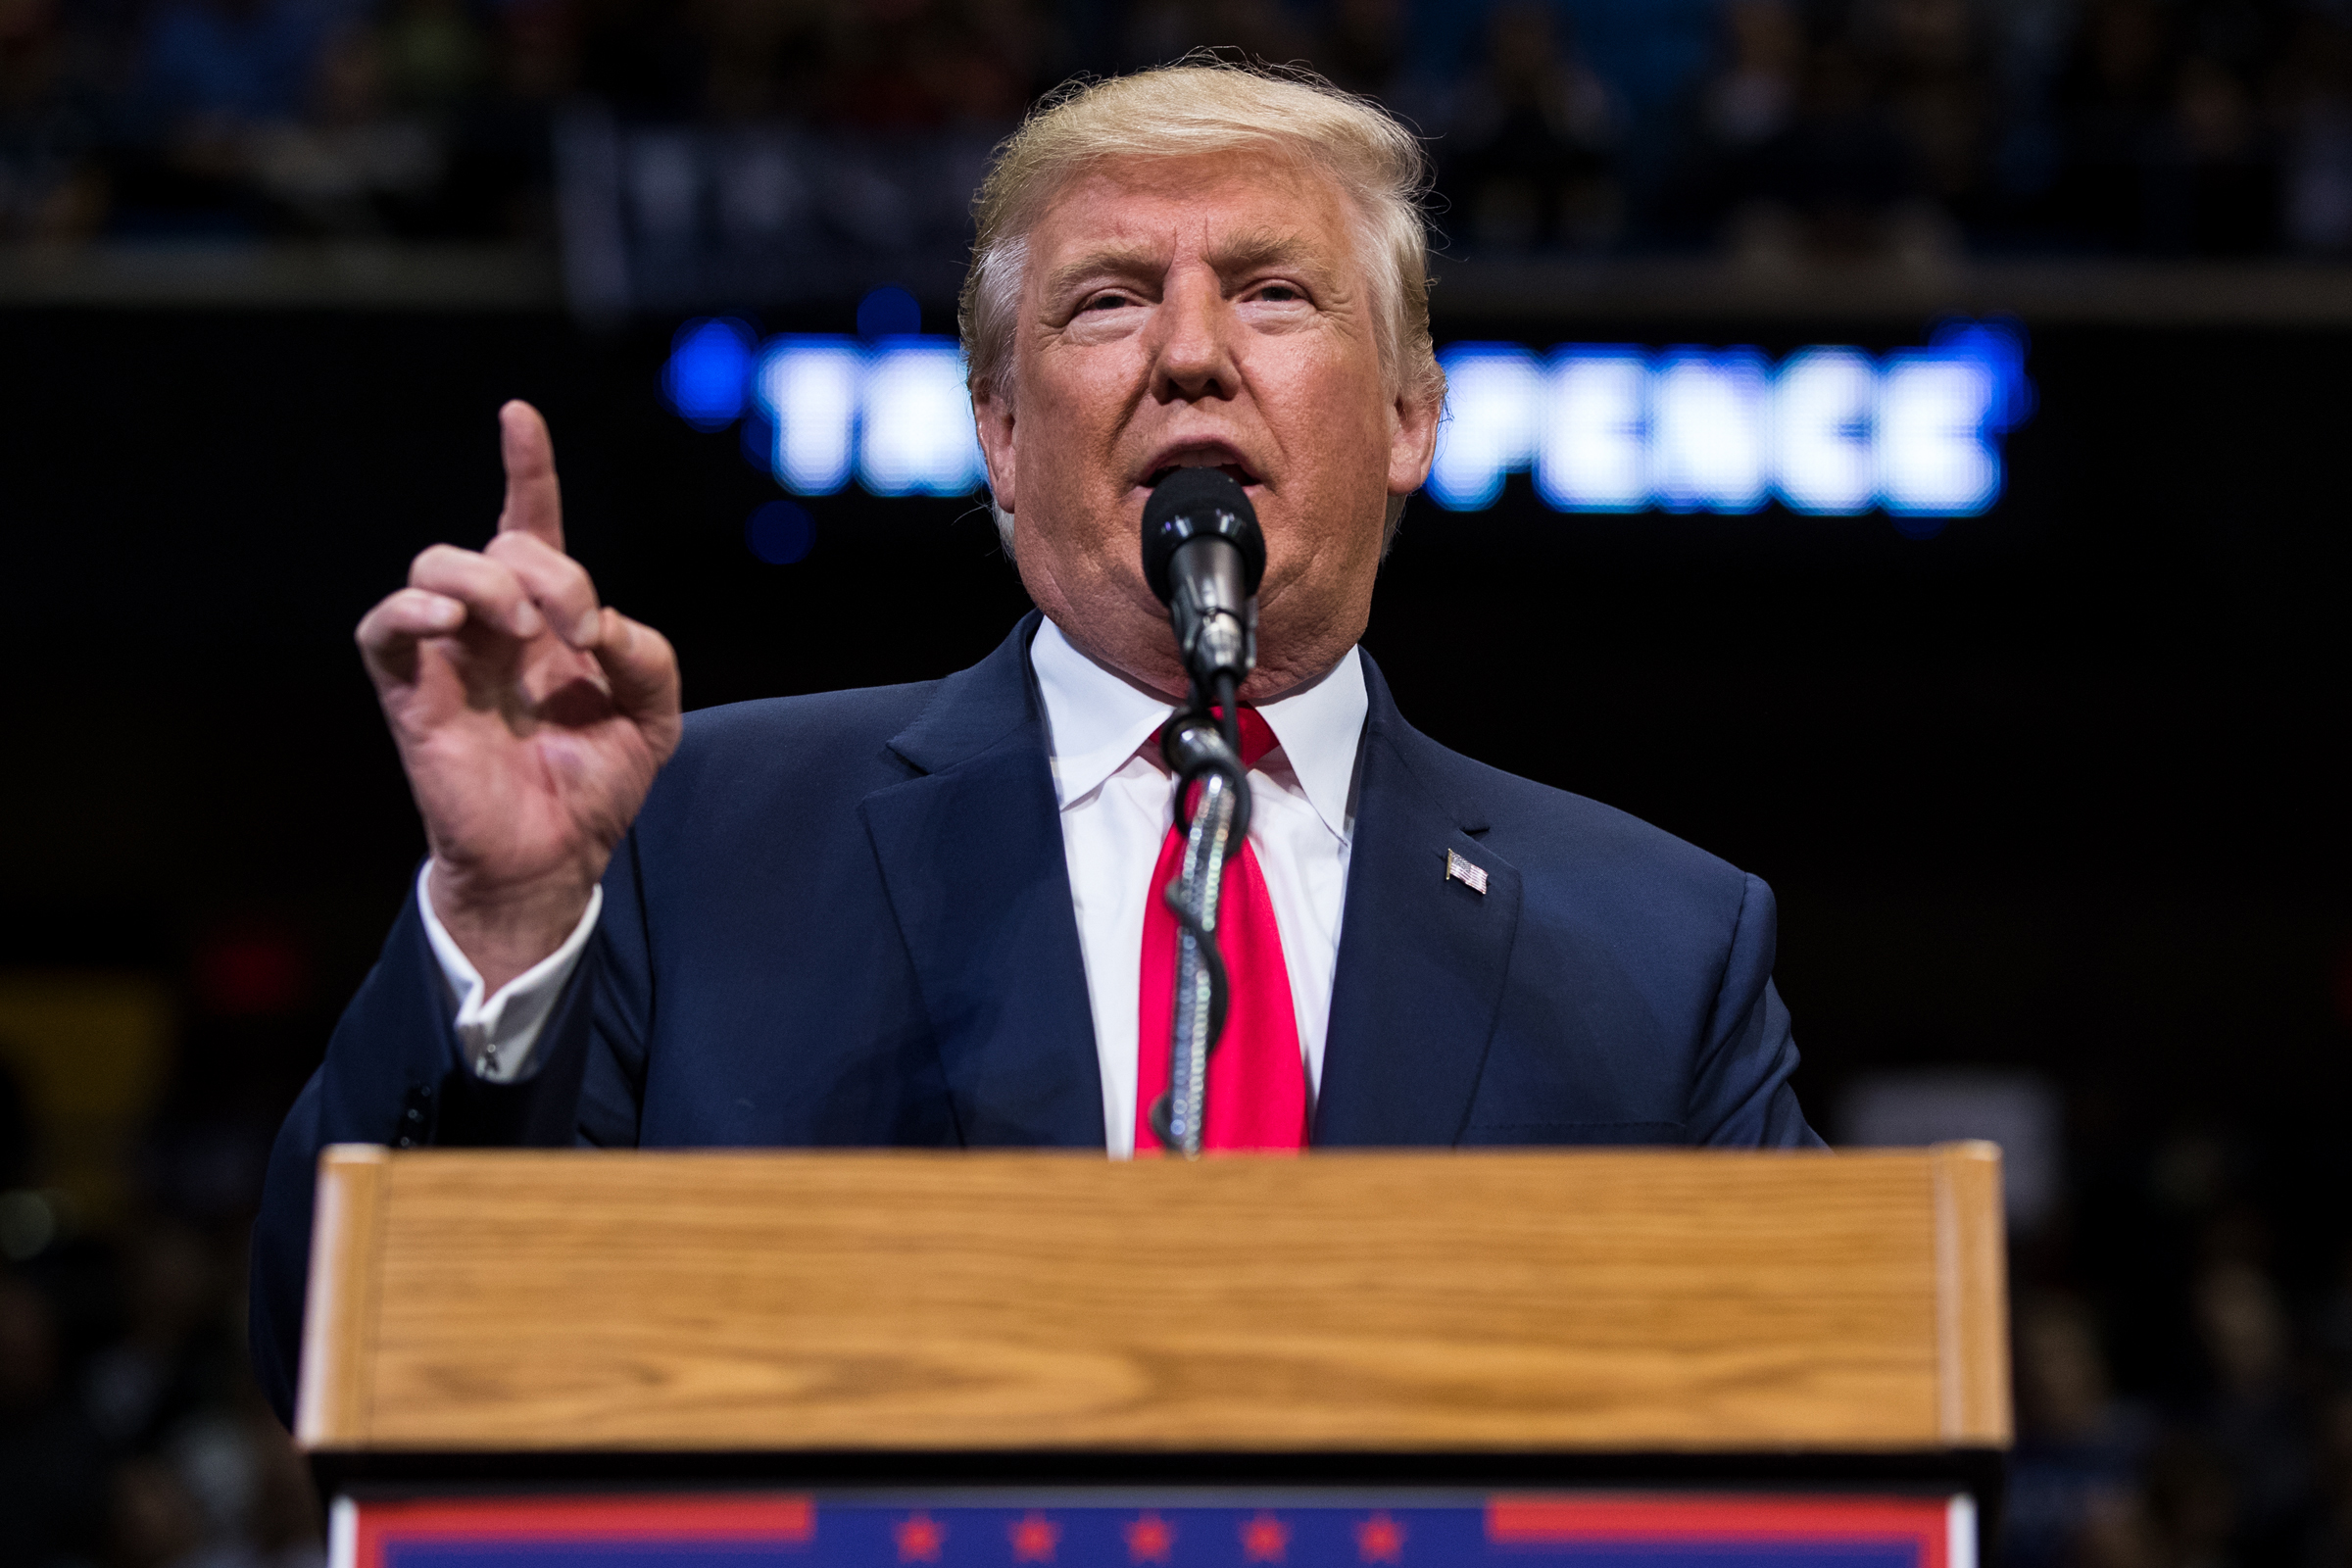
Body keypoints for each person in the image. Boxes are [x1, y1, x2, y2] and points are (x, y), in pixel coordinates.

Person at [250, 62, 1823, 1425]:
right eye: (1109, 300)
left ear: (1413, 415)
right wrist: (511, 922)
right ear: (1001, 434)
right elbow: (348, 1351)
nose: (1190, 353)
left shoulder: (1659, 942)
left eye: (1274, 293)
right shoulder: (702, 835)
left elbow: (1825, 1418)